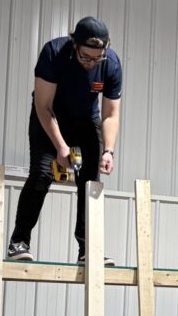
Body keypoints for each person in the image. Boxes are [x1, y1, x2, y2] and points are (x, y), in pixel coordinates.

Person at [7, 16, 122, 263]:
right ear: (74, 44)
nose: (92, 63)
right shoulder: (54, 53)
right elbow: (43, 106)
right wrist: (61, 147)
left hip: (85, 120)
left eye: (97, 58)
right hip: (50, 116)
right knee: (42, 174)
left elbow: (111, 115)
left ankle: (87, 249)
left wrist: (109, 151)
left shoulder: (111, 63)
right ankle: (18, 242)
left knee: (91, 182)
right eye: (85, 57)